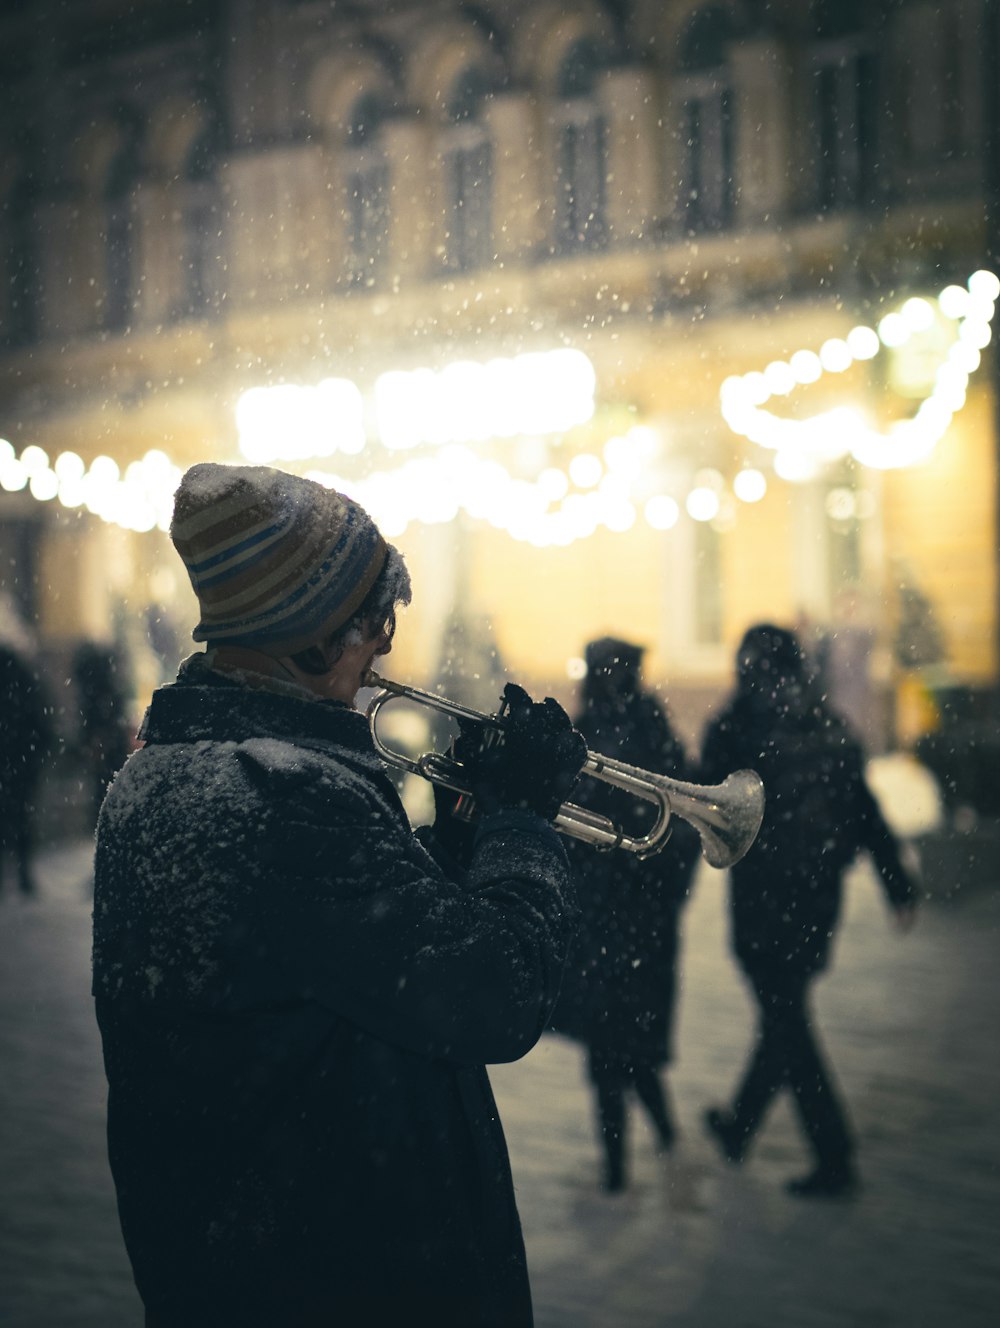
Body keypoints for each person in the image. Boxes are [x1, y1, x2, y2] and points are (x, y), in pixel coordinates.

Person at [91, 462, 587, 1328]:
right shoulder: (282, 798)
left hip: (235, 1268)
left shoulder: (170, 776)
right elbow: (497, 992)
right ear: (309, 632)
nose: (388, 646)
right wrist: (523, 825)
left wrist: (465, 827)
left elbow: (356, 953)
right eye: (373, 621)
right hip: (347, 1277)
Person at [699, 623, 918, 1199]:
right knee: (784, 1010)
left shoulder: (739, 725)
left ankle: (834, 1154)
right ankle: (740, 1126)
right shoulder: (828, 724)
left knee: (787, 1021)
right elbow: (864, 809)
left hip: (764, 900)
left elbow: (704, 792)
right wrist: (898, 883)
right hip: (817, 901)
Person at [548, 638, 700, 1193]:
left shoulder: (626, 732)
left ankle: (632, 1160)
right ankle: (651, 1145)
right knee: (622, 1045)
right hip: (617, 914)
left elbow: (679, 824)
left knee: (616, 1046)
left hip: (626, 914)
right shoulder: (612, 730)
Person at [0, 641, 53, 897]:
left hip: (11, 758)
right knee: (21, 817)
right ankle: (23, 875)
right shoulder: (24, 680)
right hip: (19, 759)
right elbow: (40, 721)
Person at [71, 640, 132, 826]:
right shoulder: (108, 684)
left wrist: (93, 738)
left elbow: (91, 715)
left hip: (105, 742)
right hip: (111, 741)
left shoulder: (92, 688)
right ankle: (111, 817)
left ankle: (105, 819)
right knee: (110, 783)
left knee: (103, 784)